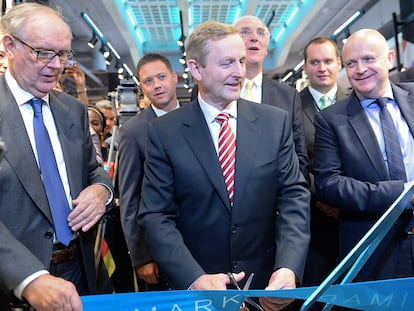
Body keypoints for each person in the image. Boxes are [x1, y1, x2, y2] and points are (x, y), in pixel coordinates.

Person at [138, 20, 310, 311]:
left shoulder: (274, 122)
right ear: (195, 69)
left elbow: (294, 198)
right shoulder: (164, 132)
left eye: (242, 61)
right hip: (198, 293)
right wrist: (194, 278)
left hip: (265, 289)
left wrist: (288, 268)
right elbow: (156, 216)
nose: (239, 72)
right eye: (227, 63)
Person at [0, 3, 114, 311]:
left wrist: (100, 191)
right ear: (9, 45)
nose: (56, 65)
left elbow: (95, 171)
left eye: (63, 54)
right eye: (43, 52)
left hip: (82, 268)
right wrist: (29, 278)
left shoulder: (73, 111)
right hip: (14, 282)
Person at [314, 28, 414, 282]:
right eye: (351, 63)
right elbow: (329, 184)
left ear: (389, 58)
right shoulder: (331, 120)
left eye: (369, 59)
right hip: (375, 249)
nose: (360, 69)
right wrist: (403, 193)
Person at [190, 16, 308, 181]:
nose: (254, 37)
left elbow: (299, 156)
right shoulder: (205, 91)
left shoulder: (288, 96)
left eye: (261, 33)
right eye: (245, 32)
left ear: (267, 48)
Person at [119, 53, 180, 291]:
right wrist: (141, 256)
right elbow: (129, 198)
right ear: (141, 87)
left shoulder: (201, 118)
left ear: (174, 78)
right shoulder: (133, 132)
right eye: (148, 81)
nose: (157, 85)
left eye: (162, 77)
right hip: (159, 247)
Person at [300, 37, 349, 287]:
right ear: (306, 67)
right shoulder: (292, 107)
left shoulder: (356, 101)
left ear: (339, 63)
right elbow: (295, 161)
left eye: (328, 61)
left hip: (356, 213)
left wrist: (346, 202)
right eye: (315, 62)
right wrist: (324, 199)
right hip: (313, 219)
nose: (322, 68)